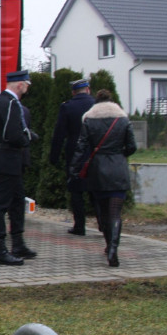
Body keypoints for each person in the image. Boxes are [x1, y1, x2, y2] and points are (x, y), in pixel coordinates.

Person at [69, 90, 137, 267]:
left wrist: (74, 169)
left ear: (96, 102)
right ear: (111, 101)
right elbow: (132, 146)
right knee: (115, 213)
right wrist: (119, 154)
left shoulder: (89, 119)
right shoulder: (123, 119)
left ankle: (108, 245)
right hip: (118, 168)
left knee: (104, 212)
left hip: (97, 170)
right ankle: (113, 249)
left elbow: (80, 146)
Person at [0, 69, 37, 265]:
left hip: (5, 160)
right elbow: (13, 134)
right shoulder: (11, 104)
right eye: (26, 85)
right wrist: (29, 137)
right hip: (8, 159)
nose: (27, 89)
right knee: (0, 206)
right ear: (20, 84)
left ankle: (17, 243)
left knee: (16, 203)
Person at [49, 78, 98, 235]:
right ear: (88, 90)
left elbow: (59, 134)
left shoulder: (67, 107)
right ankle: (103, 225)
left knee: (76, 191)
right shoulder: (97, 106)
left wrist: (54, 157)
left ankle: (80, 226)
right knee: (96, 191)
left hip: (75, 154)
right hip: (95, 153)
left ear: (73, 92)